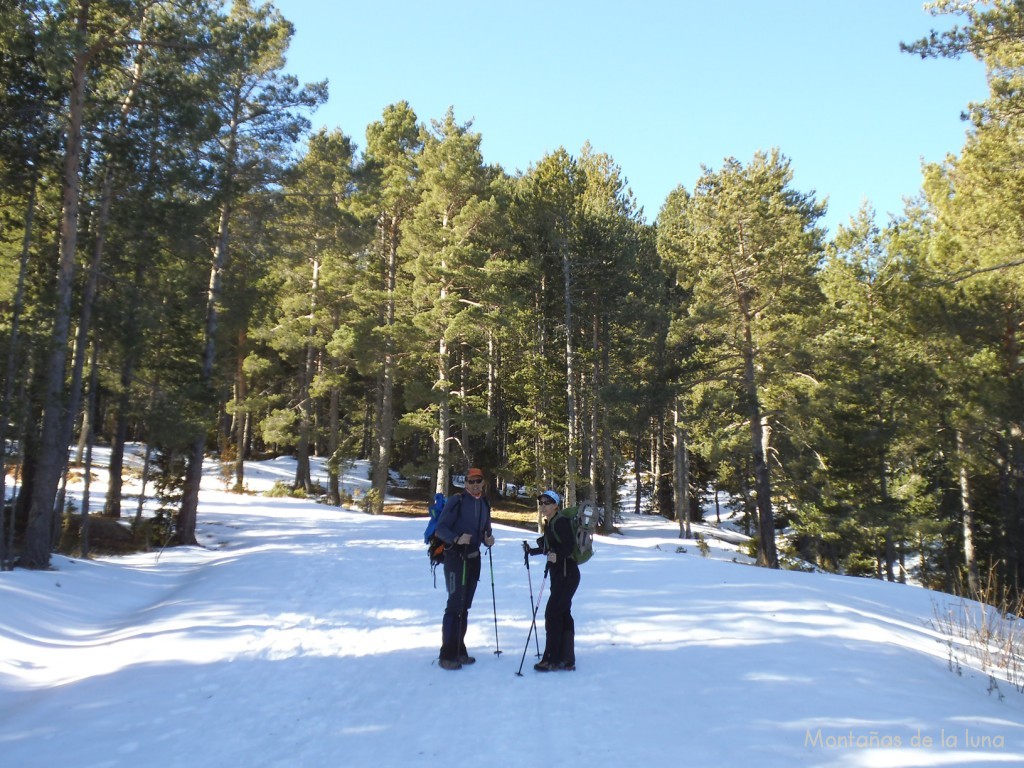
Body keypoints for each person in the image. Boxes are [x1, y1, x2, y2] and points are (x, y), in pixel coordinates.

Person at [434, 467, 494, 670]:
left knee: (465, 605)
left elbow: (486, 530)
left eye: (478, 481)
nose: (475, 485)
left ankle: (459, 650)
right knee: (454, 605)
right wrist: (457, 539)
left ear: (483, 483)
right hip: (455, 559)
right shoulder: (457, 501)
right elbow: (440, 529)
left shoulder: (485, 503)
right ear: (465, 483)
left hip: (474, 558)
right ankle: (447, 654)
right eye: (471, 481)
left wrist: (488, 539)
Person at [522, 490, 579, 672]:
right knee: (562, 613)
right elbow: (550, 547)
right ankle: (567, 659)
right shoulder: (551, 523)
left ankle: (552, 659)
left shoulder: (560, 521)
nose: (543, 506)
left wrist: (557, 555)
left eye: (547, 503)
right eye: (541, 503)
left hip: (566, 573)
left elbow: (568, 546)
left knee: (552, 614)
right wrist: (531, 551)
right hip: (562, 574)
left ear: (556, 505)